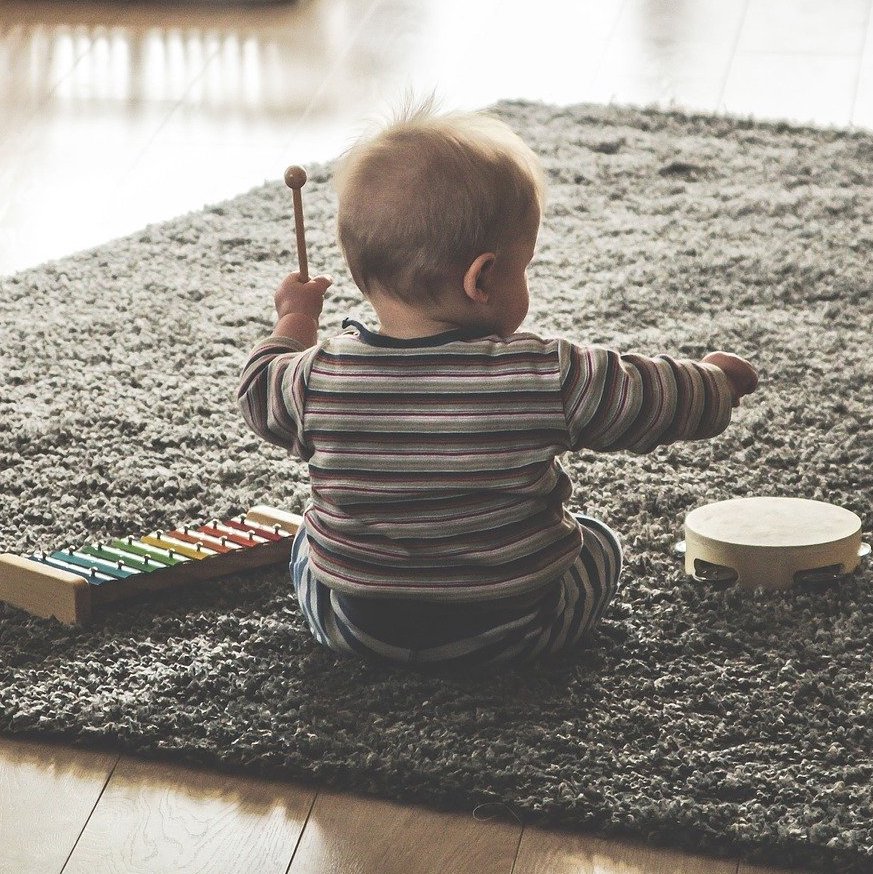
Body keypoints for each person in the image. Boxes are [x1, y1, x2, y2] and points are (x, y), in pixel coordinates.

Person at [237, 98, 758, 670]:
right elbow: (649, 395)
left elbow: (259, 390)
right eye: (524, 265)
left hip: (358, 629)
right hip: (515, 629)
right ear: (482, 277)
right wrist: (716, 384)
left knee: (305, 545)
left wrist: (295, 319)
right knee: (599, 541)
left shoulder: (315, 379)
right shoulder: (545, 375)